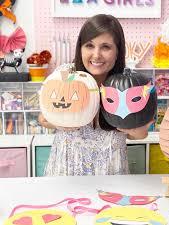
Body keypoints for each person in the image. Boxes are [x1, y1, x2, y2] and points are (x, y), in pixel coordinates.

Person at [39, 14, 157, 176]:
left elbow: (138, 134)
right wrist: (59, 123)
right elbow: (43, 119)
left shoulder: (128, 84)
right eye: (89, 45)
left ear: (118, 51)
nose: (96, 55)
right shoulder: (66, 75)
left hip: (111, 172)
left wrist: (139, 132)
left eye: (106, 47)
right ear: (80, 48)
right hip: (66, 172)